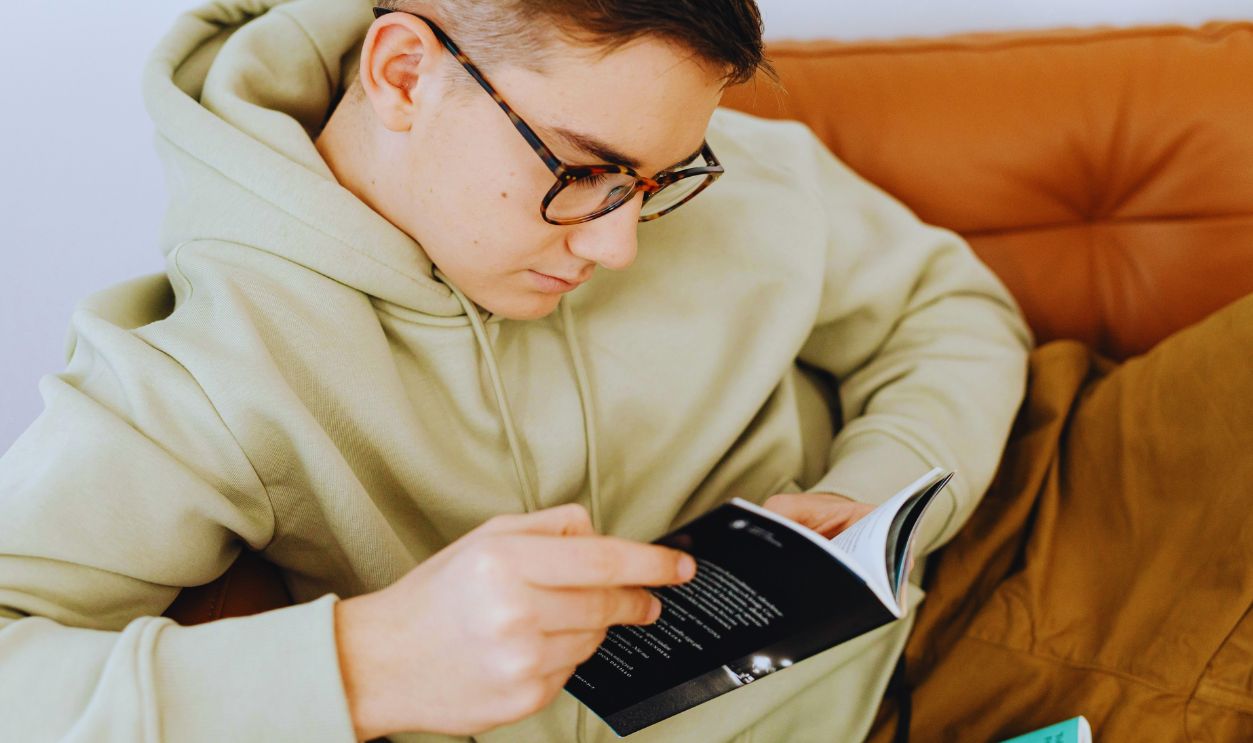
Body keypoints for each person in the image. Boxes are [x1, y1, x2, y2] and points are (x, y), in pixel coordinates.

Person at [0, 0, 1034, 741]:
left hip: (974, 560)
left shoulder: (715, 158)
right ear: (404, 73)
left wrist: (876, 490)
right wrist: (363, 663)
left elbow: (948, 307)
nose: (620, 242)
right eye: (582, 171)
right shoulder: (203, 373)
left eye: (661, 177)